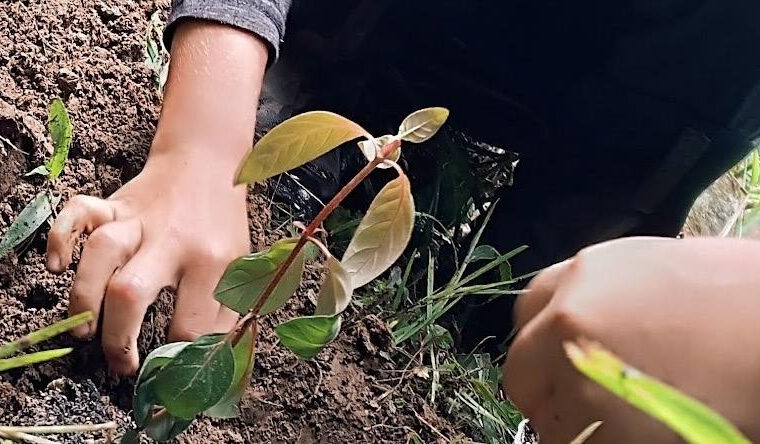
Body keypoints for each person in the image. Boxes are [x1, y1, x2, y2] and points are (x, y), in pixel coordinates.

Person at [45, 0, 760, 441]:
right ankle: (345, 62)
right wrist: (202, 142)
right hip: (401, 20)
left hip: (655, 91)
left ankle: (591, 201)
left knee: (528, 320)